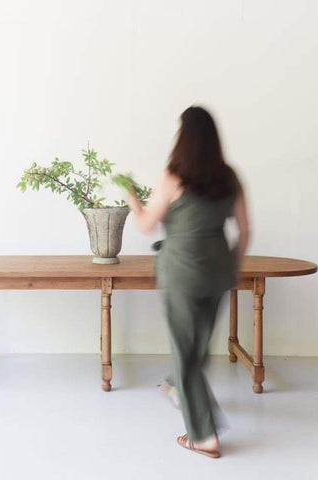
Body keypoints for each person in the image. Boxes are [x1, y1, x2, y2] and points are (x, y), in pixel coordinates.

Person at [125, 105, 250, 458]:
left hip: (182, 270)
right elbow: (245, 230)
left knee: (185, 352)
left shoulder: (172, 176)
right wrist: (232, 268)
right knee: (197, 346)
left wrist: (134, 203)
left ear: (183, 137)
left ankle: (204, 436)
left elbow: (147, 224)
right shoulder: (230, 178)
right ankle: (177, 386)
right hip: (217, 270)